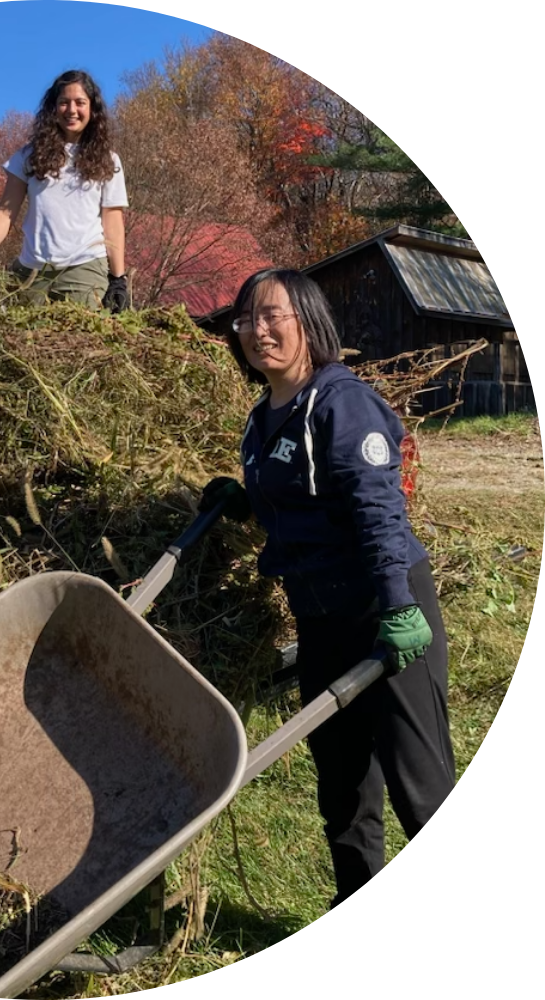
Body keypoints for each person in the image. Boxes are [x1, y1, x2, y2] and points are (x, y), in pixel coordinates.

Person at [199, 268, 456, 908]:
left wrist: (397, 605)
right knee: (343, 789)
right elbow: (305, 502)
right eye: (247, 320)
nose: (258, 331)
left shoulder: (342, 403)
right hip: (320, 620)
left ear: (309, 322)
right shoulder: (263, 418)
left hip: (384, 606)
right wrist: (247, 502)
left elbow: (377, 509)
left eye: (273, 316)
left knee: (421, 788)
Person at [0, 69, 129, 313]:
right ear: (53, 108)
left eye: (80, 102)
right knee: (20, 335)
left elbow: (112, 221)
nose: (71, 110)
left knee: (78, 334)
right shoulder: (28, 156)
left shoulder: (108, 161)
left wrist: (118, 278)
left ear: (92, 109)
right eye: (64, 102)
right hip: (31, 271)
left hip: (84, 267)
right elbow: (6, 211)